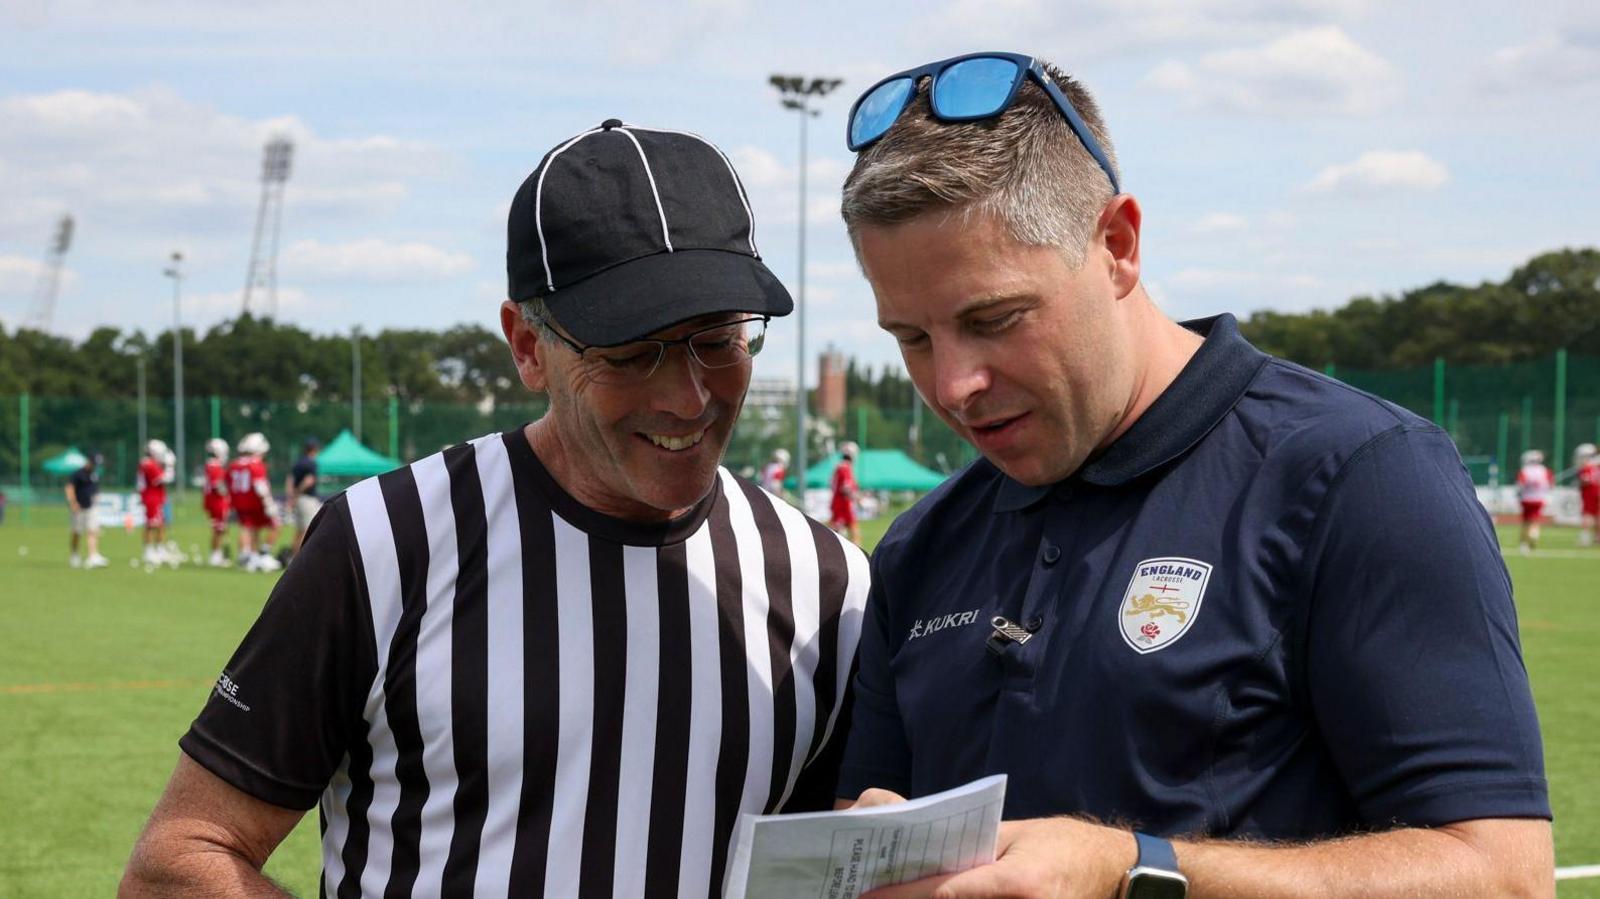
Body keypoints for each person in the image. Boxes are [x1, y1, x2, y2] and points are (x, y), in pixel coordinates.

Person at [832, 51, 1551, 897]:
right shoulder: (922, 542)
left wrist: (1134, 872)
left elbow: (1502, 875)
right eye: (910, 339)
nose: (952, 385)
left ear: (1118, 244)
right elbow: (867, 813)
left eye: (994, 319)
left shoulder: (1357, 475)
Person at [122, 119, 870, 898]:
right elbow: (177, 861)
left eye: (718, 340)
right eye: (631, 351)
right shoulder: (386, 542)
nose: (688, 396)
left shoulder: (829, 586)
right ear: (526, 345)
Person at [228, 432, 282, 573]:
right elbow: (260, 486)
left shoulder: (234, 464)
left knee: (248, 528)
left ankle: (249, 555)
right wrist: (269, 503)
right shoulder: (255, 464)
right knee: (275, 524)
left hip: (240, 502)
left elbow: (228, 483)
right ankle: (262, 554)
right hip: (255, 502)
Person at [135, 439, 176, 566]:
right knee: (152, 524)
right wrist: (170, 465)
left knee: (160, 524)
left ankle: (159, 549)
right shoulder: (148, 464)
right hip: (151, 497)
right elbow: (165, 479)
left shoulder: (148, 463)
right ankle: (149, 551)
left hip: (155, 496)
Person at [66, 450, 108, 569]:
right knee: (77, 532)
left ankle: (93, 556)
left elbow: (95, 490)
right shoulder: (78, 474)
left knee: (92, 530)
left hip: (91, 507)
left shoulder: (94, 475)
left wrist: (96, 500)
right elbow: (70, 488)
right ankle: (74, 554)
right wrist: (73, 503)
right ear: (89, 461)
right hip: (78, 508)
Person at [284, 437, 322, 559]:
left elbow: (289, 479)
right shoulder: (311, 463)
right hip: (307, 499)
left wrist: (291, 496)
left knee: (299, 530)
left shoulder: (298, 462)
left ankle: (294, 557)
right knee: (308, 529)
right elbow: (309, 480)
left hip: (299, 500)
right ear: (315, 450)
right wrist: (298, 491)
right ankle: (303, 558)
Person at [202, 438, 232, 567]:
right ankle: (215, 555)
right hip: (217, 502)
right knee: (219, 529)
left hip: (214, 501)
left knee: (220, 529)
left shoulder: (211, 465)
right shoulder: (214, 466)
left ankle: (218, 553)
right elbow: (218, 486)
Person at [1516, 448, 1552, 554]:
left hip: (1526, 499)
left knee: (1525, 521)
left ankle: (1524, 543)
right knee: (1535, 520)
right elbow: (1549, 485)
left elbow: (1520, 485)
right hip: (1539, 499)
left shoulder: (1524, 470)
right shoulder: (1545, 470)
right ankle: (1534, 534)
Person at [830, 441, 862, 545]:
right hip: (844, 505)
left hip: (837, 504)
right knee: (854, 535)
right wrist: (857, 498)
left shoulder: (839, 467)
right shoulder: (845, 468)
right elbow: (846, 488)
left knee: (835, 533)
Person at [1576, 443, 1599, 547]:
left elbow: (1585, 481)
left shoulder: (1587, 468)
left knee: (1587, 515)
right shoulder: (1597, 466)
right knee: (1598, 516)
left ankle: (1584, 538)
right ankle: (1597, 537)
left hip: (1590, 493)